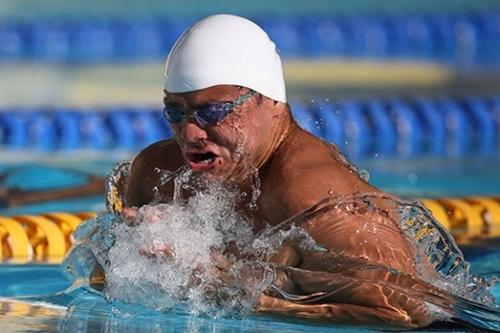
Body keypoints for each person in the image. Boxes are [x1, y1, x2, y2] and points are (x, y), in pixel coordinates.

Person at [105, 14, 437, 329]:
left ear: (271, 102)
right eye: (175, 111)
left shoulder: (309, 191)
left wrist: (240, 294)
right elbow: (106, 289)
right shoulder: (156, 172)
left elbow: (409, 311)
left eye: (213, 111)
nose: (190, 134)